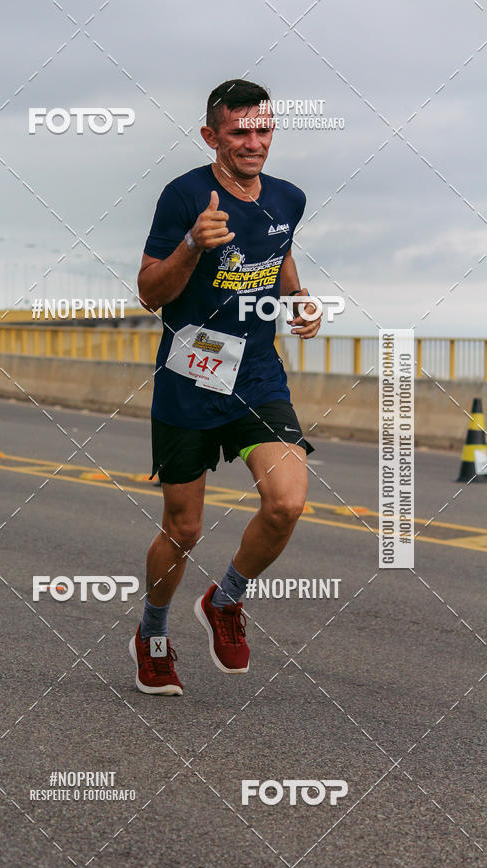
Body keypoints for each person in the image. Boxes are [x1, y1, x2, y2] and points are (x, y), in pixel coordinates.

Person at [129, 79, 321, 695]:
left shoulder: (288, 197)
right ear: (212, 136)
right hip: (191, 376)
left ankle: (225, 599)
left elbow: (279, 248)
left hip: (258, 376)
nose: (253, 142)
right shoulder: (184, 195)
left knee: (287, 501)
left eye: (262, 130)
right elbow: (151, 291)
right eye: (239, 132)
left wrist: (297, 297)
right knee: (183, 529)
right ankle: (153, 632)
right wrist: (192, 243)